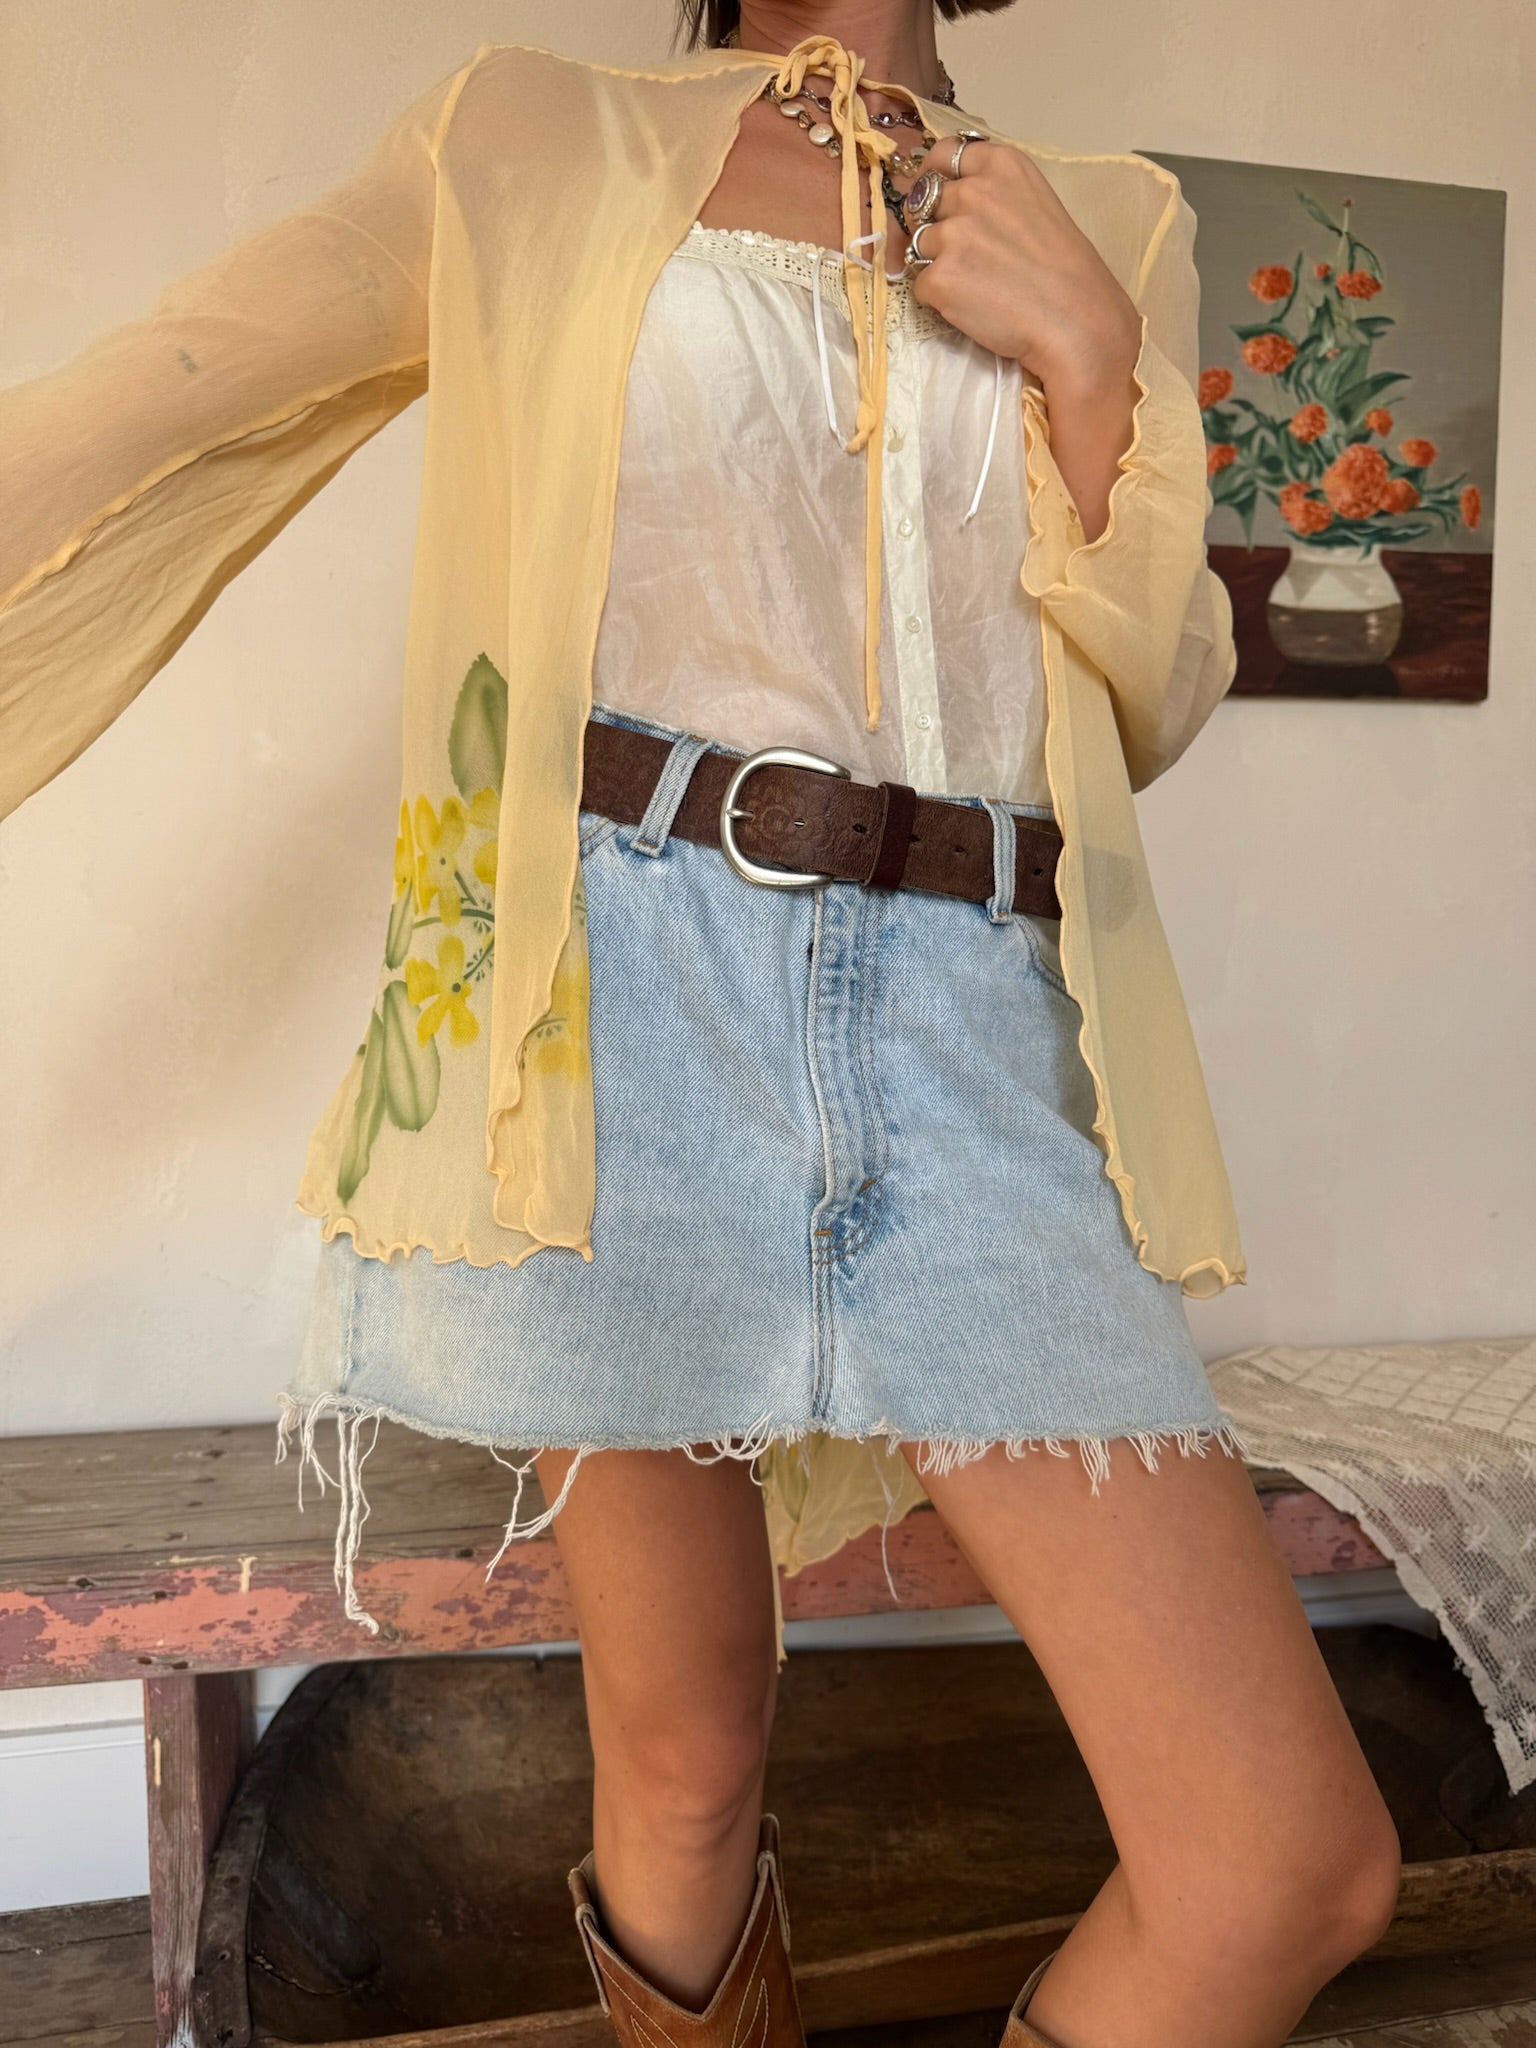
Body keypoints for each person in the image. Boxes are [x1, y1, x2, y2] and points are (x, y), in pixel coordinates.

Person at [0, 3, 1401, 2043]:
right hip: (620, 1006)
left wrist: (1094, 360)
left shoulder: (1113, 221)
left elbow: (1150, 696)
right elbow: (160, 400)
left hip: (976, 1015)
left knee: (1283, 1861)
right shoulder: (530, 137)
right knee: (683, 1758)